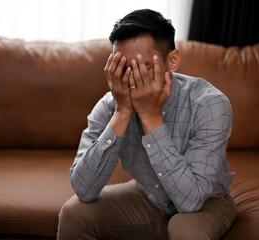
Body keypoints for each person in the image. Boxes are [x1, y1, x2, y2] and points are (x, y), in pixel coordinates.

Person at [57, 9, 237, 240]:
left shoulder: (210, 104)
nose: (132, 79)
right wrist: (122, 112)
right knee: (74, 214)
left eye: (144, 68)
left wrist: (151, 116)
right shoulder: (110, 104)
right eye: (123, 69)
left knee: (186, 230)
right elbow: (84, 189)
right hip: (149, 193)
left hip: (207, 201)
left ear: (172, 61)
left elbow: (191, 201)